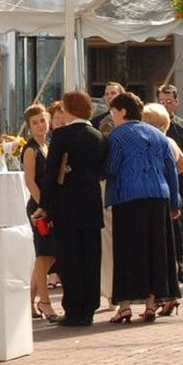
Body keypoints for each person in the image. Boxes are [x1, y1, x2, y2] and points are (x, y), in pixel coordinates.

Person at [103, 97, 183, 321]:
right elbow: (171, 168)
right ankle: (151, 303)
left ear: (122, 111)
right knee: (156, 250)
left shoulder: (118, 136)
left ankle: (125, 305)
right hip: (159, 195)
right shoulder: (159, 135)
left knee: (128, 251)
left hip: (128, 196)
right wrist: (175, 203)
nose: (112, 116)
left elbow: (111, 167)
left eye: (113, 112)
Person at [42, 90, 107, 325]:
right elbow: (101, 170)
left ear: (68, 110)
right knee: (91, 257)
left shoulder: (62, 136)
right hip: (90, 203)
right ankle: (89, 308)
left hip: (66, 205)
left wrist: (44, 205)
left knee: (69, 258)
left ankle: (73, 309)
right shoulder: (98, 136)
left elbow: (51, 173)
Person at [20, 103, 58, 323]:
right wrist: (42, 205)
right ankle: (45, 302)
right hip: (38, 208)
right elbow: (30, 180)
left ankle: (29, 300)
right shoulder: (31, 149)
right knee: (43, 255)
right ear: (29, 127)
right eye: (35, 123)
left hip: (49, 206)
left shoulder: (48, 145)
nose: (40, 125)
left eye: (42, 120)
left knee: (51, 255)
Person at [156, 83, 183, 283]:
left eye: (169, 101)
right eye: (161, 101)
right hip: (160, 182)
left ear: (176, 103)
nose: (165, 105)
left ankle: (179, 267)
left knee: (179, 222)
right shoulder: (154, 128)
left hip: (179, 180)